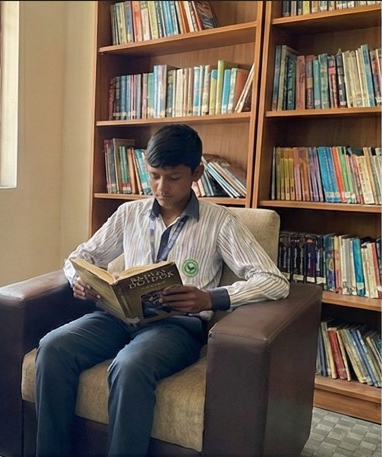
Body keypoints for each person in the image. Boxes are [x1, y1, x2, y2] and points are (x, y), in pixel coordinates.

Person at [34, 123, 290, 456]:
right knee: (52, 346)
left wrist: (211, 297)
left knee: (129, 366)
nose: (161, 187)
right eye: (154, 176)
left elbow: (273, 280)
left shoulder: (220, 222)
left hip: (177, 327)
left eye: (173, 177)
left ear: (196, 172)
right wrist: (78, 279)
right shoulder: (129, 214)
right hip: (115, 317)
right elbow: (81, 256)